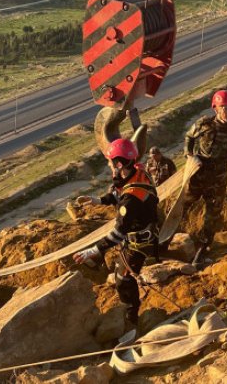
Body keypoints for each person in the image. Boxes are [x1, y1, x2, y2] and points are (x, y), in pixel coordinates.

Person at [73, 139, 159, 326]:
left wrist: (95, 250)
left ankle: (131, 318)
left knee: (123, 280)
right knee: (120, 271)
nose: (108, 165)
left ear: (119, 164)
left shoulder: (131, 199)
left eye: (110, 161)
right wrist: (99, 201)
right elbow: (118, 192)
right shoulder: (137, 173)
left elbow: (118, 234)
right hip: (142, 228)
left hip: (141, 243)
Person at [183, 90, 227, 266]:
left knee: (212, 215)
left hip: (219, 178)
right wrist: (188, 155)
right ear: (216, 109)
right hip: (199, 174)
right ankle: (163, 242)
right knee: (183, 206)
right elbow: (189, 137)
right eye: (224, 108)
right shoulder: (204, 124)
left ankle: (201, 253)